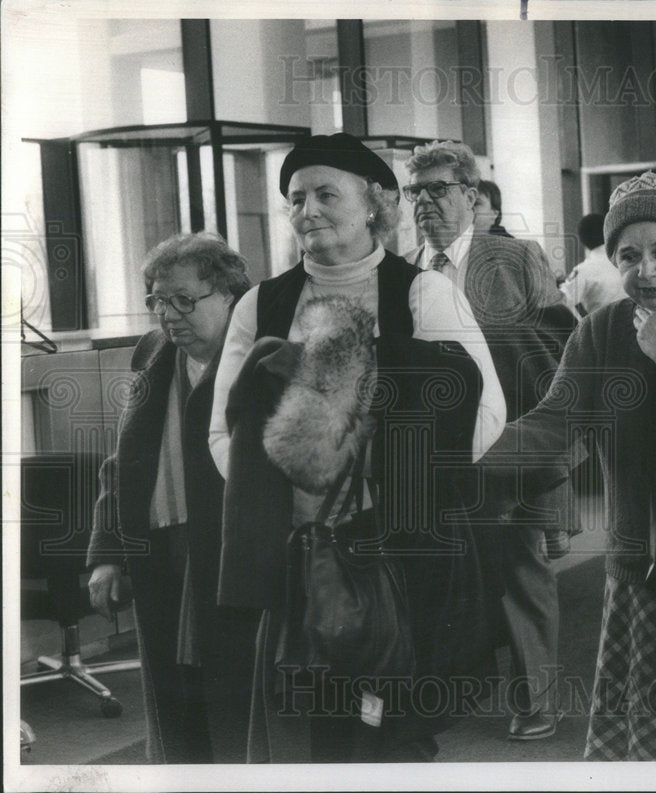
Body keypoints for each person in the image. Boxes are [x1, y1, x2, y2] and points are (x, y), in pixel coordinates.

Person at [209, 133, 507, 762]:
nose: (307, 210)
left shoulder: (422, 294)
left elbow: (486, 411)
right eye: (295, 199)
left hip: (396, 544)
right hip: (295, 550)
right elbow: (222, 430)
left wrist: (385, 472)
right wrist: (284, 490)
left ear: (375, 203)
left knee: (390, 724)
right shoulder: (261, 305)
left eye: (325, 194)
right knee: (306, 721)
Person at [474, 170, 656, 759]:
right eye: (628, 256)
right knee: (646, 747)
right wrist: (457, 458)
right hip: (639, 564)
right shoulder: (603, 330)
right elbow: (554, 425)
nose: (645, 270)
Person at [404, 140, 577, 740]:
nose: (426, 202)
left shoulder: (513, 258)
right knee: (445, 572)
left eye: (440, 189)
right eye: (415, 191)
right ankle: (450, 689)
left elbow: (558, 350)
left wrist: (539, 447)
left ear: (471, 196)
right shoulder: (405, 273)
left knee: (519, 571)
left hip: (510, 444)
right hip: (434, 454)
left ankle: (537, 700)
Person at [87, 232, 258, 763]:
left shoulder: (261, 355)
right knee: (172, 706)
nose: (169, 314)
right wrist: (108, 552)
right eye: (158, 300)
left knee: (236, 705)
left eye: (184, 299)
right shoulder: (154, 351)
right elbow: (124, 461)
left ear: (229, 294)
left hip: (235, 556)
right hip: (160, 555)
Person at [559, 212, 627, 318]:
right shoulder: (628, 262)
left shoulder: (584, 271)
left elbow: (562, 302)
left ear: (582, 240)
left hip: (602, 330)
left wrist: (580, 325)